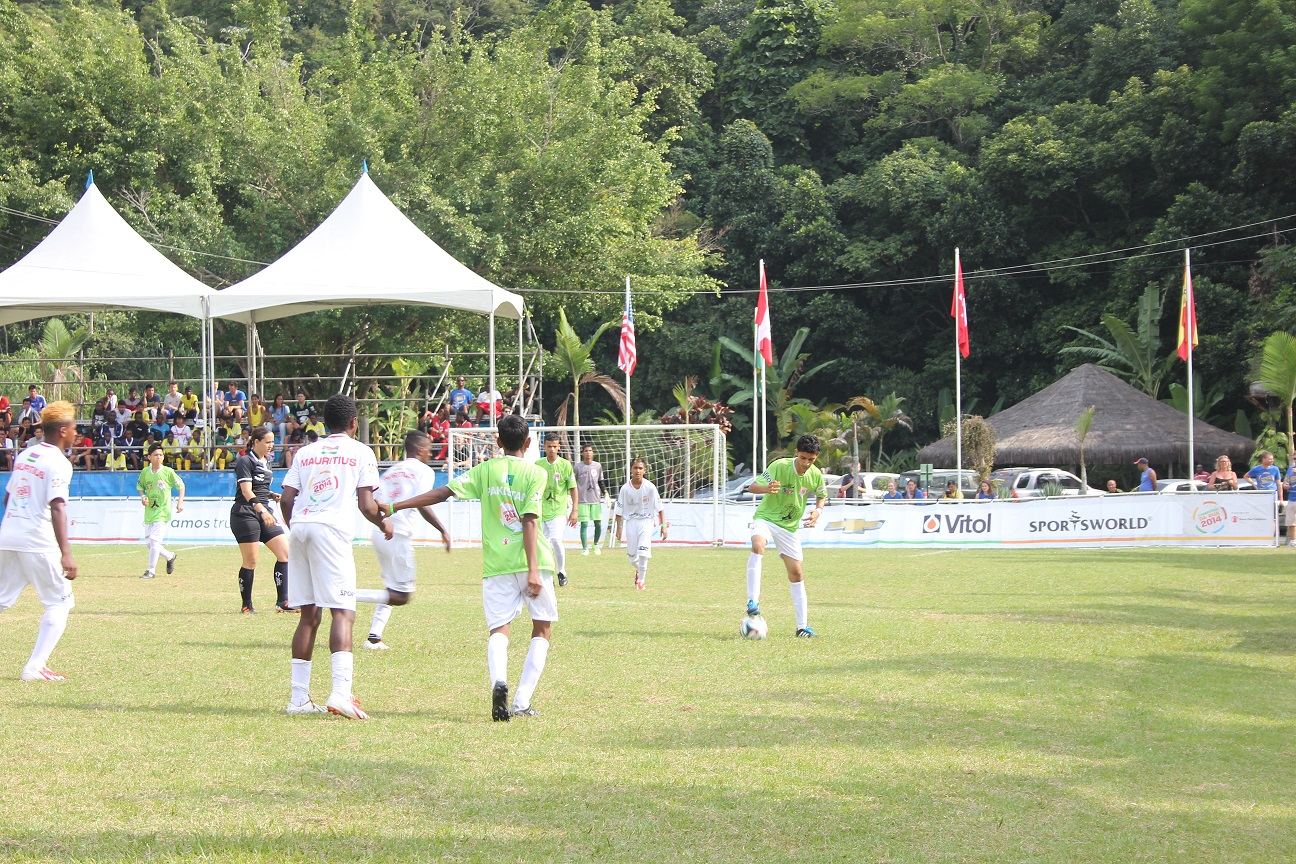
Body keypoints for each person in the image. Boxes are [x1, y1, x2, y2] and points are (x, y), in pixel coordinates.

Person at [388, 413, 557, 721]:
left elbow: (443, 493)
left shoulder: (485, 470)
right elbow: (530, 520)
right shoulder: (536, 474)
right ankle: (521, 701)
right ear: (529, 443)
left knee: (499, 629)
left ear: (498, 441)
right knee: (542, 627)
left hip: (497, 564)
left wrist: (395, 505)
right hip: (534, 560)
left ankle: (499, 683)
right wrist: (533, 569)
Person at [280, 394, 391, 720]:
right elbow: (367, 505)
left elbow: (287, 499)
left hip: (300, 528)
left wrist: (300, 526)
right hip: (331, 532)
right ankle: (341, 694)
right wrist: (384, 523)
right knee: (343, 613)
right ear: (354, 422)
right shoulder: (361, 451)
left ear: (325, 424)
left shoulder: (306, 451)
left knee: (308, 616)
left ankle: (298, 699)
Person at [0, 400, 78, 681]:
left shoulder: (25, 455)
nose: (75, 433)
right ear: (62, 431)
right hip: (37, 538)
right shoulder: (59, 462)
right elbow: (57, 506)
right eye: (73, 428)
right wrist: (66, 554)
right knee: (60, 603)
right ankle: (35, 667)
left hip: (9, 534)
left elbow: (9, 497)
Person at [357, 430, 451, 650]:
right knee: (403, 593)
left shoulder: (391, 471)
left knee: (392, 587)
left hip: (381, 531)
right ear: (420, 450)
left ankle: (374, 637)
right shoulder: (424, 471)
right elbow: (422, 502)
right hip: (397, 535)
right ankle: (346, 595)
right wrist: (442, 529)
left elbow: (374, 499)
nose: (430, 453)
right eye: (429, 448)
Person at [744, 434, 827, 637]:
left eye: (811, 459)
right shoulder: (779, 466)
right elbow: (752, 487)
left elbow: (822, 496)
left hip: (789, 527)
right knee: (758, 545)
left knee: (797, 573)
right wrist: (766, 488)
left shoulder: (815, 474)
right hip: (766, 518)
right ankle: (752, 601)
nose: (807, 463)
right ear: (796, 453)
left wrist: (818, 511)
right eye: (804, 458)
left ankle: (802, 627)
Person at [231, 427, 293, 613]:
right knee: (251, 561)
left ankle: (283, 602)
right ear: (256, 442)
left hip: (263, 510)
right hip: (245, 513)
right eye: (267, 442)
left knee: (285, 554)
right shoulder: (245, 460)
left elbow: (259, 488)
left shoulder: (267, 462)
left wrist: (271, 494)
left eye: (273, 442)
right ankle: (246, 605)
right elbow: (246, 490)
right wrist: (263, 511)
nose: (271, 446)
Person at [615, 456, 666, 590]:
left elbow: (660, 508)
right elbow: (619, 511)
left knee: (643, 552)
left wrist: (663, 526)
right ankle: (639, 570)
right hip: (631, 522)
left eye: (640, 468)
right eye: (635, 468)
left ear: (645, 470)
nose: (637, 470)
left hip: (646, 522)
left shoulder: (650, 487)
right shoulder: (625, 489)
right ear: (631, 469)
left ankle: (641, 582)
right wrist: (618, 529)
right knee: (632, 558)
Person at [535, 433, 578, 587]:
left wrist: (574, 510)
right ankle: (547, 574)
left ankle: (561, 571)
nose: (552, 449)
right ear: (544, 446)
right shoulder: (538, 464)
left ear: (559, 447)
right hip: (541, 512)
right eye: (549, 446)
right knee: (543, 545)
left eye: (555, 446)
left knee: (556, 540)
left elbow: (573, 488)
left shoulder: (565, 465)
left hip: (559, 511)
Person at [136, 443, 184, 579]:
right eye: (156, 455)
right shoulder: (145, 472)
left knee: (154, 541)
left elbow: (181, 486)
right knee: (149, 544)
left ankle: (151, 571)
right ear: (149, 457)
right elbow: (140, 486)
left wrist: (180, 502)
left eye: (161, 455)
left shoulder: (168, 472)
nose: (159, 457)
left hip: (162, 512)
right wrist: (143, 496)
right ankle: (170, 556)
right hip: (149, 511)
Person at [574, 444, 607, 555]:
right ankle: (584, 548)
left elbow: (601, 481)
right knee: (584, 524)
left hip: (595, 499)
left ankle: (596, 544)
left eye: (590, 450)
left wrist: (605, 493)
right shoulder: (578, 467)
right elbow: (573, 483)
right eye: (586, 451)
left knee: (598, 523)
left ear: (593, 453)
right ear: (582, 453)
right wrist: (570, 496)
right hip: (582, 500)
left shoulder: (597, 466)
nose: (588, 452)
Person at [1246, 451, 1283, 535]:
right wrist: (1254, 485)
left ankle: (1271, 536)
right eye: (1269, 459)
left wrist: (1281, 498)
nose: (1271, 461)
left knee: (1273, 517)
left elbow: (1278, 483)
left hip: (1272, 494)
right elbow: (1246, 476)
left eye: (1272, 459)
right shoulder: (1257, 469)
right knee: (1261, 516)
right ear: (1263, 459)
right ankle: (1261, 535)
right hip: (1261, 495)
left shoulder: (1275, 469)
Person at [1284, 460, 1296, 547]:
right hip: (1292, 499)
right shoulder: (1290, 470)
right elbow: (1285, 483)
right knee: (1291, 522)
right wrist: (1285, 485)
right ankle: (1293, 541)